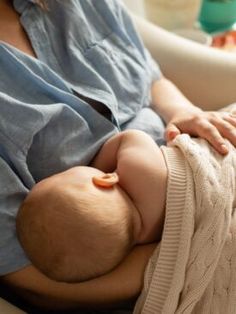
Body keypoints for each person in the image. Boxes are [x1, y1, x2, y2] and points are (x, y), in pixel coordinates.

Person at [0, 0, 236, 311]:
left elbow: (153, 79)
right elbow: (32, 281)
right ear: (106, 178)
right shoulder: (126, 174)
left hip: (200, 150)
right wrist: (200, 251)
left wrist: (184, 111)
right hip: (196, 209)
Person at [16, 130, 167, 283]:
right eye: (62, 174)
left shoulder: (146, 241)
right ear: (105, 179)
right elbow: (132, 137)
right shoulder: (141, 175)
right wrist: (97, 166)